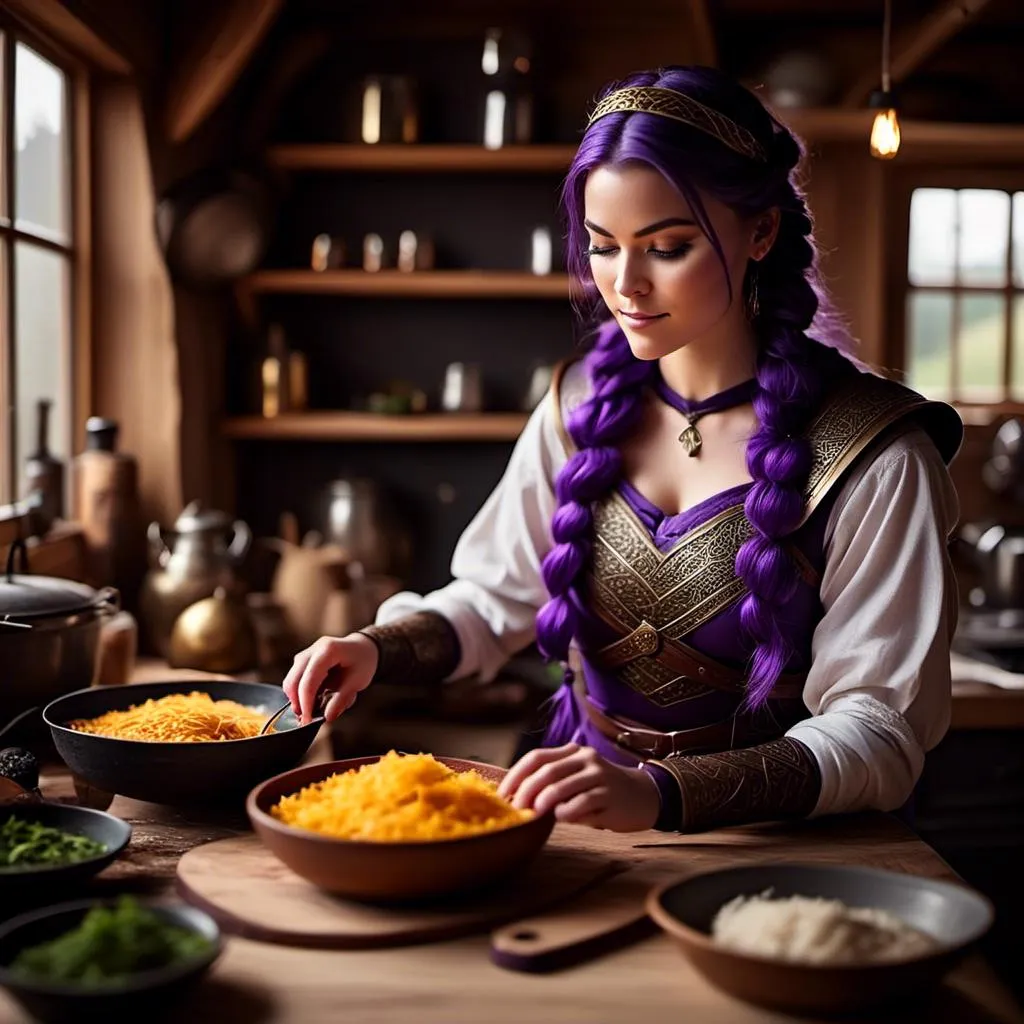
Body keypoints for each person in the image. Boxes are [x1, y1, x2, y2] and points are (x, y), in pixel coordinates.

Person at [283, 65, 963, 834]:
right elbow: (496, 598)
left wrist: (661, 791)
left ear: (761, 232)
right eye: (604, 248)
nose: (626, 285)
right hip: (587, 831)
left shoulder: (875, 455)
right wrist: (376, 648)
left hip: (786, 856)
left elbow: (877, 733)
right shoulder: (577, 408)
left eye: (668, 247)